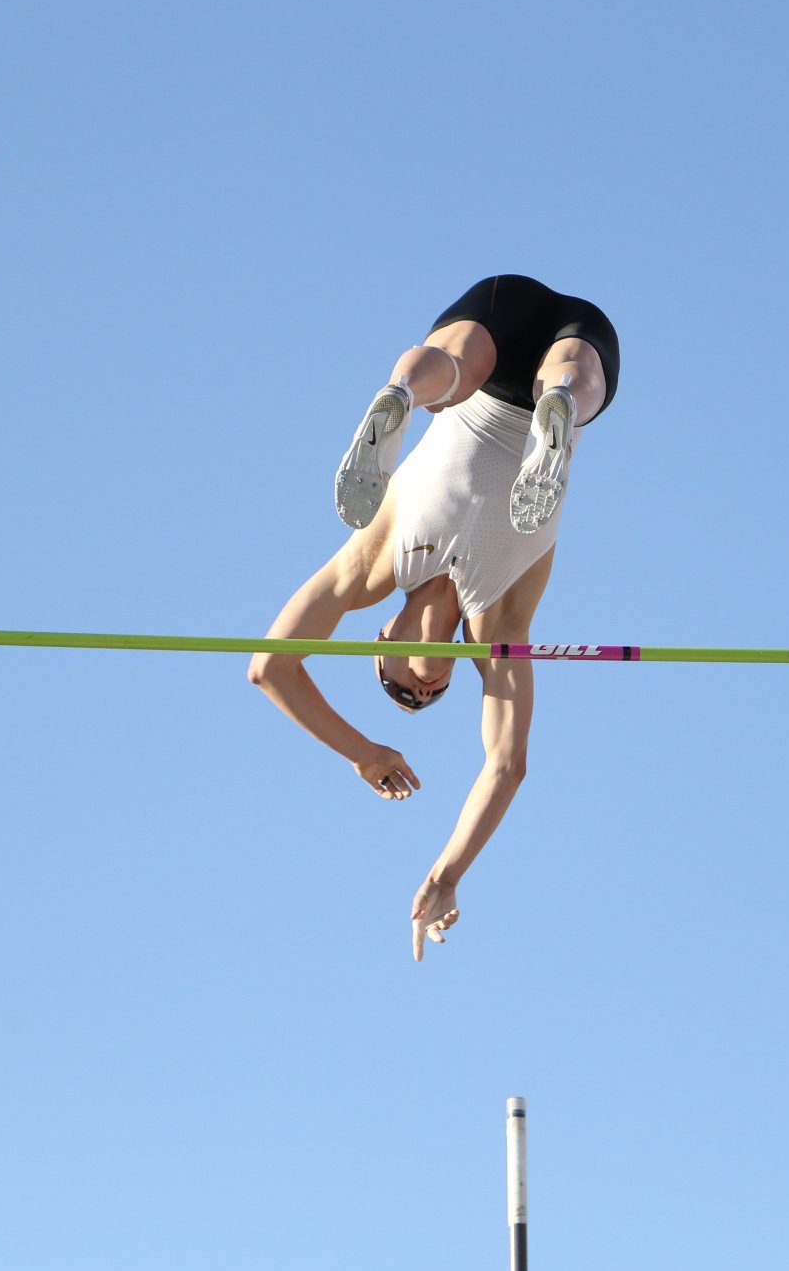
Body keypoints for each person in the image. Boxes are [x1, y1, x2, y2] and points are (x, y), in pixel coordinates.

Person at [247, 275, 620, 960]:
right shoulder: (498, 625)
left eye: (397, 687)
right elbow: (506, 766)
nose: (419, 692)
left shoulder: (371, 566)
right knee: (571, 378)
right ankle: (559, 412)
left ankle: (400, 398)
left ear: (380, 637)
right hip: (562, 369)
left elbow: (269, 665)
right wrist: (445, 874)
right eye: (432, 696)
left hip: (478, 366)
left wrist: (365, 752)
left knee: (452, 371)